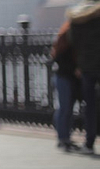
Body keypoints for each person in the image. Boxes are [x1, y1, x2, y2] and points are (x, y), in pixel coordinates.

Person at [69, 0, 100, 155]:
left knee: (89, 106)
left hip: (86, 67)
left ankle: (89, 143)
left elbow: (73, 41)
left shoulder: (78, 16)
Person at [51, 19, 80, 152]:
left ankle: (65, 137)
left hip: (68, 76)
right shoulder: (67, 35)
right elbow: (58, 57)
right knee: (64, 108)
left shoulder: (71, 34)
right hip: (63, 76)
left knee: (67, 108)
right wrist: (74, 69)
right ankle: (63, 138)